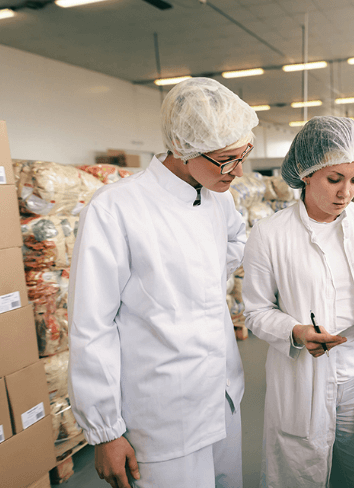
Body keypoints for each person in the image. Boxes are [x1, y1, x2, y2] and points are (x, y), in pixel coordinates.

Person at [68, 78, 258, 488]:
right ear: (185, 149)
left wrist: (200, 273)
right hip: (163, 414)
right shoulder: (116, 209)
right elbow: (91, 325)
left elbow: (236, 240)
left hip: (223, 395)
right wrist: (105, 432)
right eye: (227, 158)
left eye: (244, 154)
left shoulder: (217, 196)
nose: (238, 171)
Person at [242, 115, 354, 488]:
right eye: (334, 179)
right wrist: (295, 331)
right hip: (306, 379)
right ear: (306, 174)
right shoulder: (270, 234)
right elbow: (256, 312)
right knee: (302, 473)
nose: (346, 192)